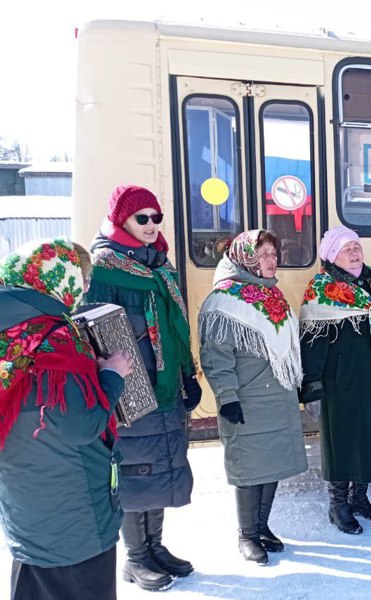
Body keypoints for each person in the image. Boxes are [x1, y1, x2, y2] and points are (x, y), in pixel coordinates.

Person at [0, 238, 132, 600]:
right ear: (61, 279)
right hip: (73, 519)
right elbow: (82, 426)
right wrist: (112, 375)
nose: (85, 288)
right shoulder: (54, 339)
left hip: (24, 506)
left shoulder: (10, 330)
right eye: (83, 279)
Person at [86, 185, 201, 591]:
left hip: (164, 388)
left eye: (157, 218)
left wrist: (185, 374)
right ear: (122, 220)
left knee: (162, 465)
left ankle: (155, 546)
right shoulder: (104, 267)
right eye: (142, 218)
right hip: (131, 391)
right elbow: (95, 330)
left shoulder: (160, 267)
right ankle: (135, 558)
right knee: (137, 471)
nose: (151, 226)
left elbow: (173, 329)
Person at [199, 230, 307, 565]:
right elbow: (216, 355)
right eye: (263, 254)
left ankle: (262, 527)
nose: (271, 260)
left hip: (277, 397)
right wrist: (227, 396)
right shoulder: (224, 300)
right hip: (246, 400)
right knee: (249, 469)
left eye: (274, 253)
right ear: (245, 258)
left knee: (271, 463)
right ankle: (246, 535)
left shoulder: (270, 296)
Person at [298, 226, 371, 534]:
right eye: (347, 249)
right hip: (339, 385)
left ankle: (360, 498)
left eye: (357, 247)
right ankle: (338, 506)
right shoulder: (320, 291)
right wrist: (313, 390)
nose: (355, 252)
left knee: (367, 441)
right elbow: (311, 345)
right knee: (342, 445)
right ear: (332, 255)